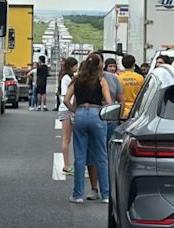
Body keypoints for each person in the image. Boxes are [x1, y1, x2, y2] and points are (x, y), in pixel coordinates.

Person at [64, 53, 112, 203]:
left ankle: (78, 195)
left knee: (79, 156)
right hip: (97, 113)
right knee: (101, 155)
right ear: (99, 65)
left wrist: (74, 110)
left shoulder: (77, 79)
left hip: (80, 116)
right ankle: (105, 195)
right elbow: (109, 102)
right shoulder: (101, 80)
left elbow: (66, 99)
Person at [86, 53, 124, 200]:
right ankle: (94, 188)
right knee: (92, 155)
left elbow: (121, 99)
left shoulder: (113, 78)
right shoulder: (85, 78)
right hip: (93, 119)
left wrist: (118, 116)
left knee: (108, 156)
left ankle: (108, 189)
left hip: (110, 121)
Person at [59, 57, 78, 175]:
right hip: (67, 109)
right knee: (67, 138)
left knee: (69, 138)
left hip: (69, 109)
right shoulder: (66, 78)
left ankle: (70, 164)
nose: (77, 68)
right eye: (75, 66)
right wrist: (71, 109)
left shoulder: (69, 77)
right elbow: (65, 96)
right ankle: (66, 165)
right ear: (71, 67)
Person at [118, 54, 145, 118]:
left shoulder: (119, 78)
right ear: (134, 64)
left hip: (123, 111)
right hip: (137, 110)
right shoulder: (140, 78)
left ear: (122, 64)